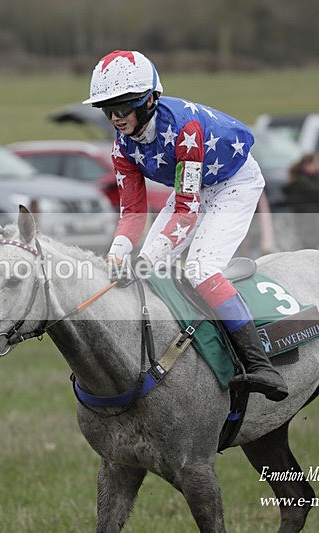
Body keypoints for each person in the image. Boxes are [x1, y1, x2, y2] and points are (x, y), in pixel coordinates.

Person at [84, 50, 287, 401]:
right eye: (108, 109)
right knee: (148, 270)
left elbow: (186, 211)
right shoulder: (121, 148)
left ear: (149, 101)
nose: (116, 117)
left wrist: (149, 257)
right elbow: (132, 212)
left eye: (124, 106)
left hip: (232, 184)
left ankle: (261, 366)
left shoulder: (185, 131)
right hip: (189, 192)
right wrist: (117, 254)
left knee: (200, 268)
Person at [283, 152, 319, 250]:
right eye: (315, 164)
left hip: (316, 223)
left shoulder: (311, 179)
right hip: (309, 224)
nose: (317, 167)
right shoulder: (301, 181)